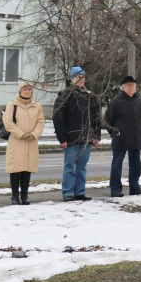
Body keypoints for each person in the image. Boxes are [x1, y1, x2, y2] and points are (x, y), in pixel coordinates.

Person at [53, 66, 102, 202]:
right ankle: (68, 192)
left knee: (81, 167)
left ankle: (80, 192)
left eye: (83, 77)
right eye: (78, 77)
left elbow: (96, 117)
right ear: (72, 79)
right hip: (71, 139)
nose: (81, 80)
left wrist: (96, 135)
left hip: (86, 138)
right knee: (70, 167)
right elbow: (58, 119)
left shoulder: (90, 96)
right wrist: (62, 138)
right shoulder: (64, 96)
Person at [4, 81, 45, 205]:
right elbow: (8, 123)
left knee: (27, 169)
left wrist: (34, 134)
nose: (27, 91)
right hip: (16, 142)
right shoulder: (12, 105)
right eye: (25, 89)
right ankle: (15, 196)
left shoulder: (37, 106)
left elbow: (40, 122)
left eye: (29, 89)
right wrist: (22, 134)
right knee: (16, 169)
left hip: (31, 142)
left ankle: (25, 196)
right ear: (20, 91)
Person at [105, 75, 141, 197]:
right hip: (120, 139)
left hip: (136, 138)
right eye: (128, 85)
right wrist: (115, 133)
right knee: (117, 164)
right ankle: (116, 189)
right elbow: (108, 120)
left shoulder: (138, 102)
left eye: (132, 85)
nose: (130, 88)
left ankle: (135, 187)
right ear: (122, 88)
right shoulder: (116, 102)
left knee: (136, 165)